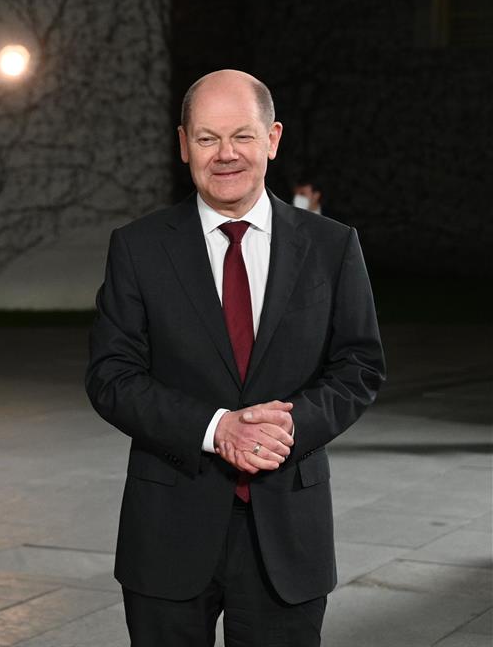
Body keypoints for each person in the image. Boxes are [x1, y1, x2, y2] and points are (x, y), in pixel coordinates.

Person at [85, 69, 385, 646]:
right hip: (168, 530)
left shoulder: (331, 246)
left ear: (272, 139)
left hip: (288, 534)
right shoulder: (138, 247)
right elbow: (111, 376)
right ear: (182, 145)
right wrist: (216, 428)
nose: (226, 155)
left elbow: (359, 366)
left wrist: (286, 427)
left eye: (242, 136)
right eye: (207, 138)